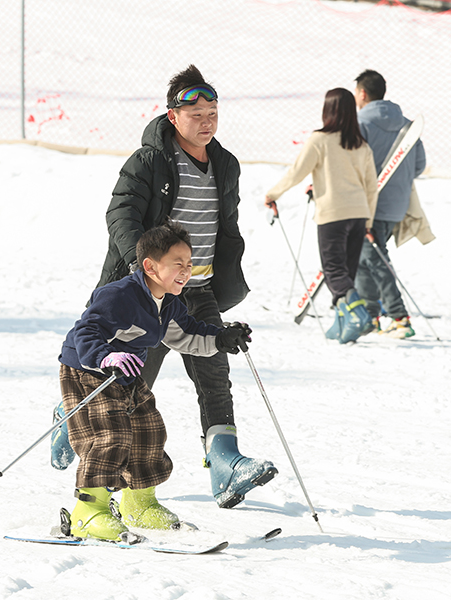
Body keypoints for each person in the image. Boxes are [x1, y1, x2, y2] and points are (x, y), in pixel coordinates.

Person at [53, 65, 277, 510]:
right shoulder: (150, 161)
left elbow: (223, 225)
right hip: (148, 291)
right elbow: (121, 215)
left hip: (199, 287)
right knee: (131, 383)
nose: (207, 121)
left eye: (213, 112)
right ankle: (72, 422)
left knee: (215, 374)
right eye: (197, 113)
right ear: (173, 117)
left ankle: (226, 463)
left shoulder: (225, 164)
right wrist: (144, 271)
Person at [58, 221, 254, 540]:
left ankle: (139, 504)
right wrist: (106, 358)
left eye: (189, 264)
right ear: (150, 266)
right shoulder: (119, 295)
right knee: (111, 433)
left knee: (149, 429)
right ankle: (88, 511)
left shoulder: (170, 303)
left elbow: (186, 333)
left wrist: (221, 338)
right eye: (178, 264)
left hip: (128, 371)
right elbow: (86, 331)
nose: (186, 271)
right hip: (88, 370)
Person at [265, 88, 378, 344]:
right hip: (359, 214)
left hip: (333, 213)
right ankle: (341, 325)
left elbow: (297, 172)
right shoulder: (361, 145)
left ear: (327, 110)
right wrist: (368, 221)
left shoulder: (320, 140)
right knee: (346, 271)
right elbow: (372, 187)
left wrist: (273, 194)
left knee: (334, 270)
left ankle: (360, 313)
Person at [353, 70, 426, 339]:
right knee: (363, 258)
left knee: (374, 258)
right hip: (395, 204)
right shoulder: (408, 126)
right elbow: (419, 165)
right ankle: (371, 315)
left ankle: (399, 316)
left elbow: (352, 164)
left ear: (362, 93)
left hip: (365, 205)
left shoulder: (359, 123)